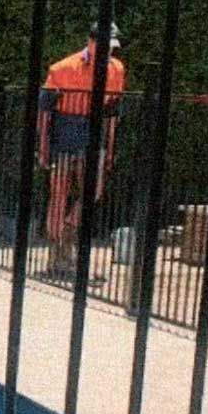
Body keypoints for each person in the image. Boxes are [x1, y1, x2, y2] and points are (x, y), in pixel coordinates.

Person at [38, 22, 127, 277]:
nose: (108, 53)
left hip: (93, 133)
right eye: (104, 46)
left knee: (94, 190)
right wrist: (44, 147)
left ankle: (68, 229)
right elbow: (44, 112)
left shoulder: (116, 69)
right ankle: (57, 256)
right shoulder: (62, 68)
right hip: (65, 133)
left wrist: (110, 147)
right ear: (90, 42)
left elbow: (112, 111)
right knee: (59, 193)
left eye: (111, 48)